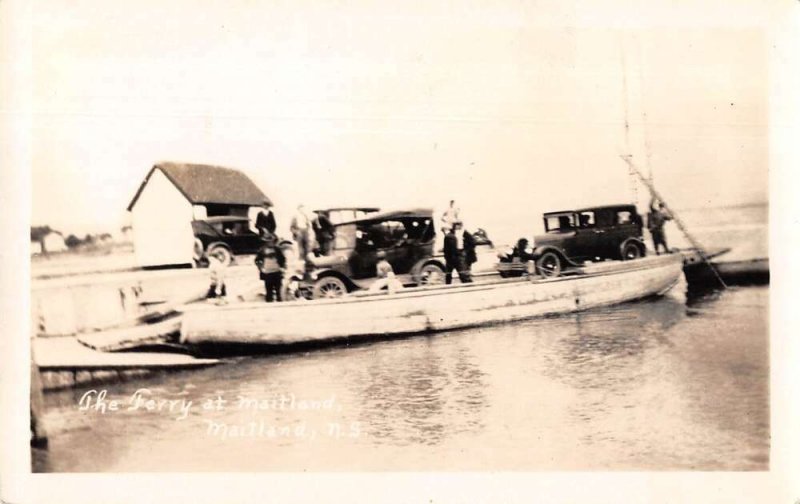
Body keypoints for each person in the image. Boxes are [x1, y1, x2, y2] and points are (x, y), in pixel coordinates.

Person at [255, 236, 287, 302]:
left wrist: (283, 268)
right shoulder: (262, 250)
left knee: (279, 291)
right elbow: (257, 260)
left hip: (276, 272)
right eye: (268, 241)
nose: (270, 243)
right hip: (267, 273)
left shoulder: (277, 250)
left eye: (271, 241)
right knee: (269, 292)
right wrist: (260, 268)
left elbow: (283, 259)